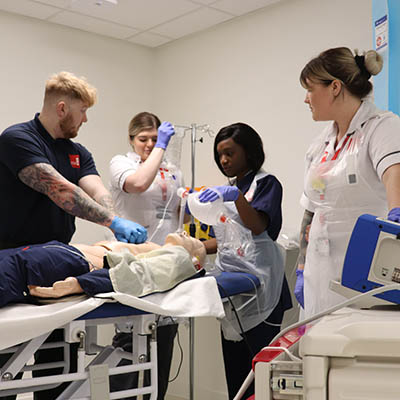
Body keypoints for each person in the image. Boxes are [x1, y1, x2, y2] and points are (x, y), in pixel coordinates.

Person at [0, 71, 147, 400]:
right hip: (12, 264)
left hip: (55, 267)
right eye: (82, 112)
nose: (85, 119)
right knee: (6, 368)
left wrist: (115, 222)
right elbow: (60, 190)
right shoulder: (17, 139)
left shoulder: (77, 151)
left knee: (55, 368)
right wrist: (113, 221)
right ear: (63, 108)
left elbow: (94, 189)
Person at [294, 47, 400, 320]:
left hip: (361, 276)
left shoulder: (381, 127)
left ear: (335, 87)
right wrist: (301, 267)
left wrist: (396, 214)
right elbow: (310, 210)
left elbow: (393, 173)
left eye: (310, 89)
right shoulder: (320, 144)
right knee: (315, 352)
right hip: (318, 271)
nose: (306, 99)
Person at [198, 123, 292, 400]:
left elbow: (258, 227)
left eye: (230, 153)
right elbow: (230, 240)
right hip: (235, 293)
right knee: (236, 375)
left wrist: (236, 197)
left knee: (261, 374)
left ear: (248, 152)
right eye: (220, 155)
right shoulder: (229, 189)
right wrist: (193, 247)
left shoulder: (266, 184)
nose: (224, 161)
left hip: (264, 290)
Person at [109, 111, 189, 399]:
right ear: (132, 140)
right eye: (143, 139)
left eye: (155, 138)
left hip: (165, 260)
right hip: (131, 259)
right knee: (130, 340)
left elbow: (178, 215)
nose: (150, 144)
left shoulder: (173, 170)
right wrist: (161, 148)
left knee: (164, 339)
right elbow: (139, 183)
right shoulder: (121, 164)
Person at [0, 231, 206, 306]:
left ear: (194, 260)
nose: (186, 234)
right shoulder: (158, 250)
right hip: (44, 257)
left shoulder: (178, 259)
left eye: (194, 241)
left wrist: (80, 284)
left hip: (48, 262)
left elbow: (136, 278)